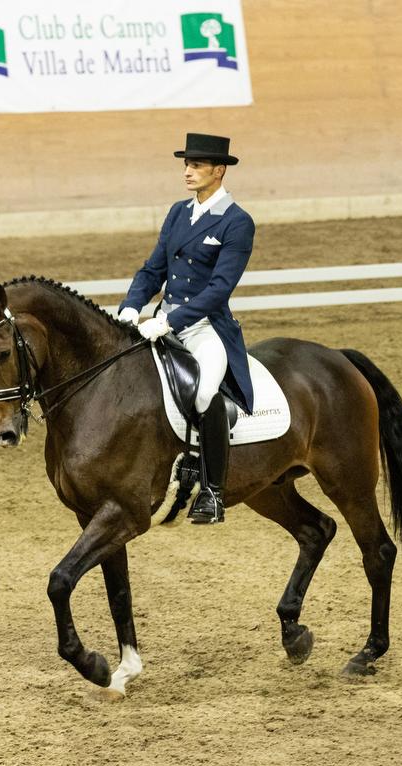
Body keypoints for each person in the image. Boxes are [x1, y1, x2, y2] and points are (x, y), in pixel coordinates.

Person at [117, 132, 256, 524]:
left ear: (219, 170)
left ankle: (213, 491)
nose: (188, 172)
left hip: (205, 326)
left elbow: (218, 289)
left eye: (196, 166)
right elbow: (153, 268)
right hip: (161, 322)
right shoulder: (179, 212)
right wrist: (131, 307)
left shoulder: (236, 222)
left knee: (204, 392)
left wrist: (170, 321)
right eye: (186, 164)